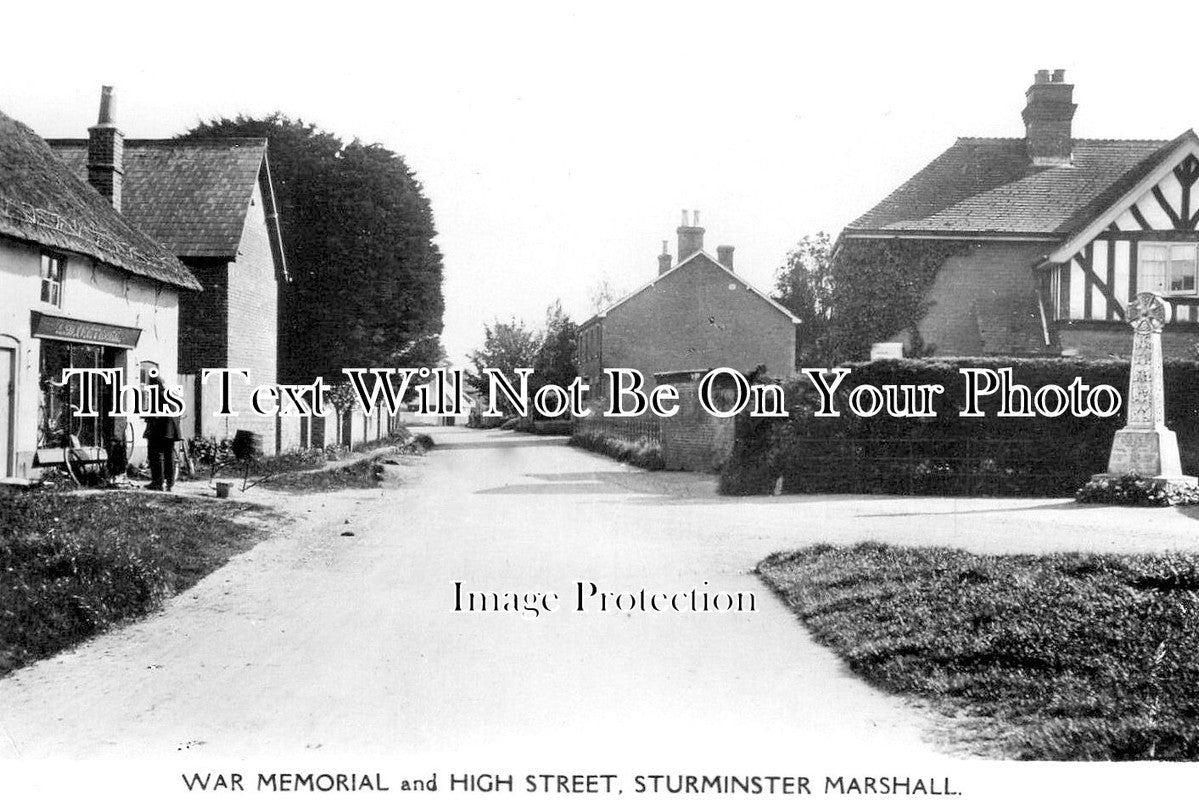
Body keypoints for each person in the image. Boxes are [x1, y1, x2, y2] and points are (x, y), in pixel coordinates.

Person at [143, 376, 182, 491]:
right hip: (171, 431)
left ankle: (157, 482)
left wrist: (146, 417)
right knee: (169, 456)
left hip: (160, 430)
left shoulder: (157, 395)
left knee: (155, 455)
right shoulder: (171, 394)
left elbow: (154, 415)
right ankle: (170, 483)